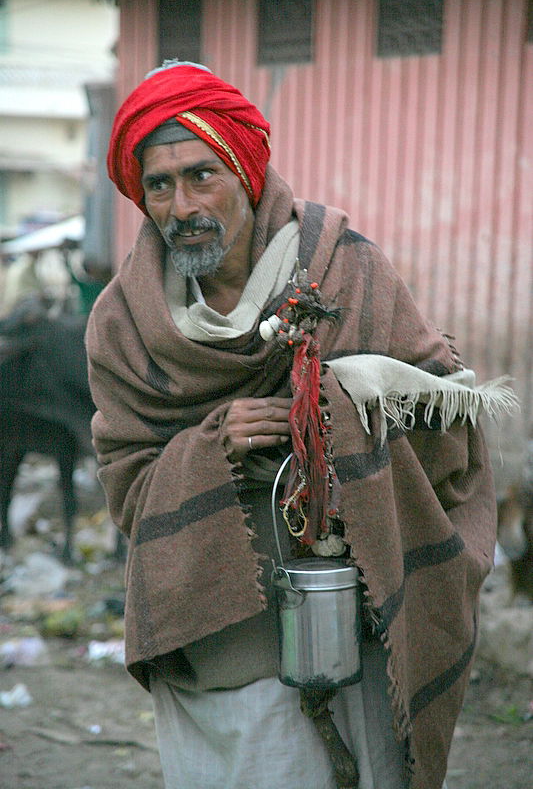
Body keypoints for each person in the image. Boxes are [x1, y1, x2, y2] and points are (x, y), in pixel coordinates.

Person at [86, 61, 517, 789]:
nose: (182, 205)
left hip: (361, 612)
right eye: (158, 185)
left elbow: (446, 418)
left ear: (246, 172)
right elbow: (128, 483)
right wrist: (211, 446)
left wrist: (339, 409)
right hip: (224, 632)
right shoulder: (123, 323)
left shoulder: (346, 269)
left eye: (201, 176)